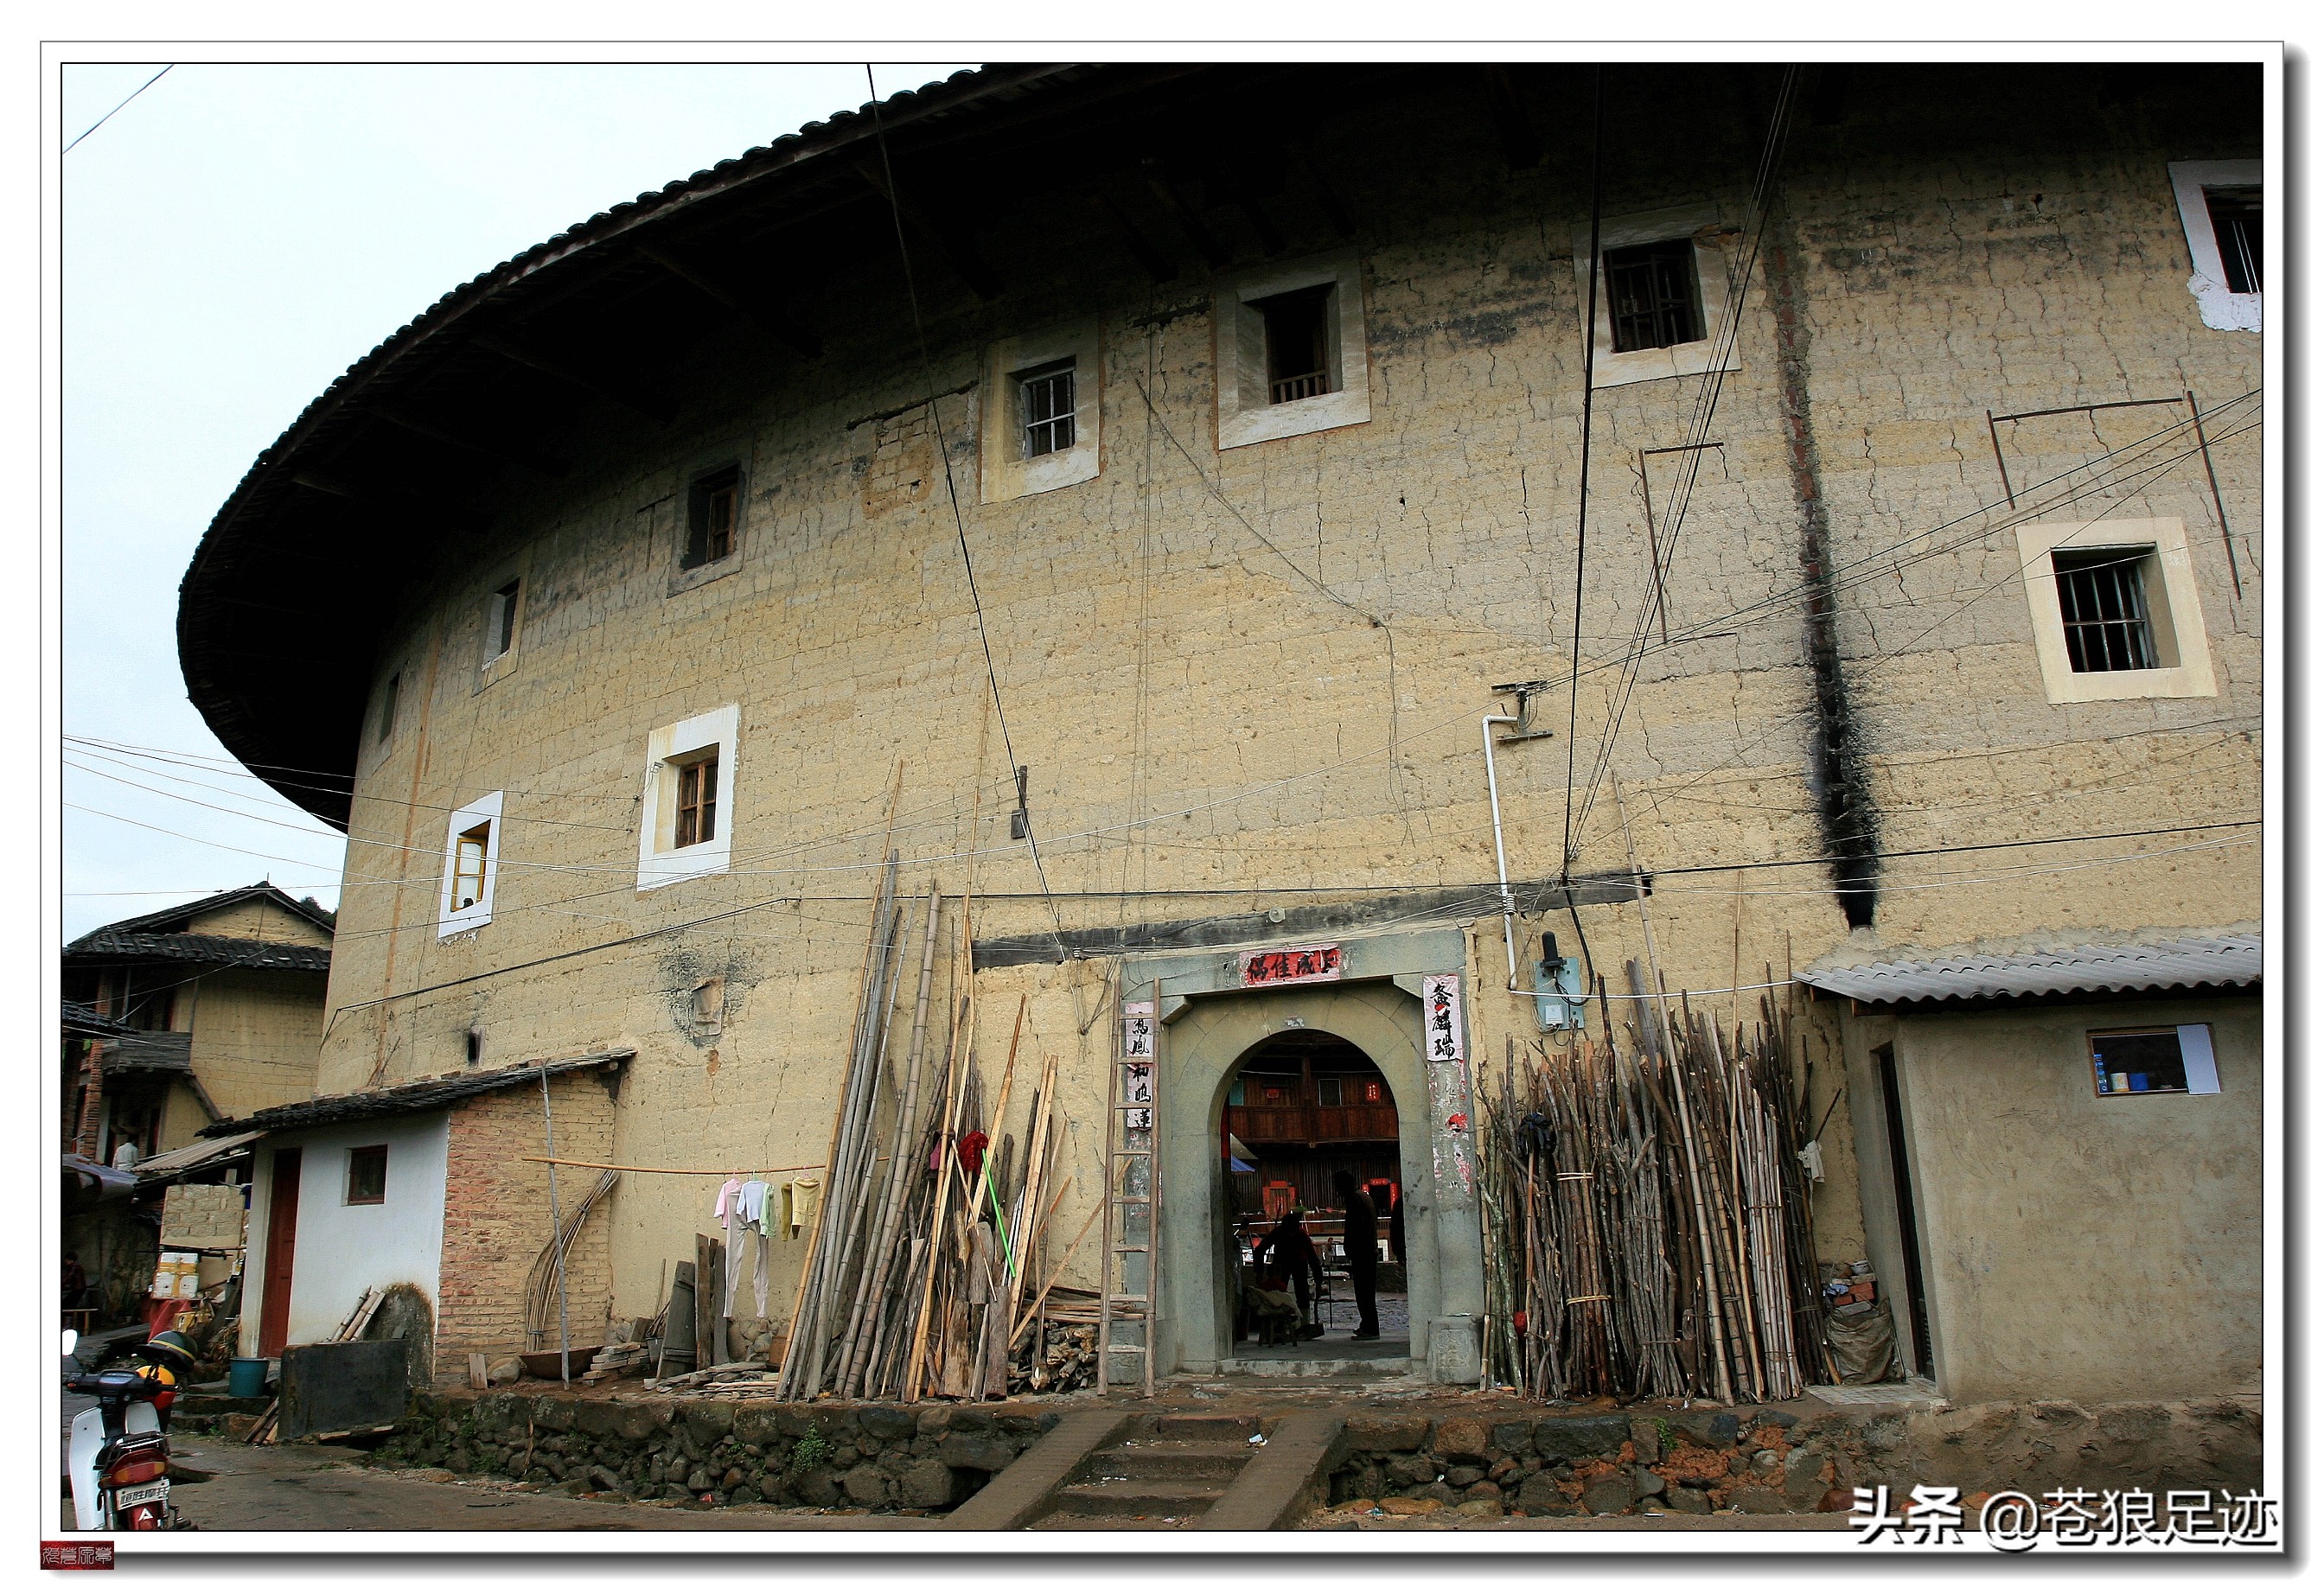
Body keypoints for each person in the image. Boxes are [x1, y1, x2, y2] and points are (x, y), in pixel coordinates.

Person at [1257, 1208, 1326, 1338]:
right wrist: (1259, 1273)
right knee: (1278, 1293)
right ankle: (1280, 1325)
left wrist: (1318, 1281)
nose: (1291, 1235)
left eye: (1293, 1232)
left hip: (1299, 1263)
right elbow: (1260, 1250)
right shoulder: (1278, 1232)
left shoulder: (1301, 1235)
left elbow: (1313, 1258)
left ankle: (1304, 1325)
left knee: (1302, 1293)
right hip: (1281, 1264)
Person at [1332, 1170, 1381, 1340]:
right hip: (1368, 1250)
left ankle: (1371, 1327)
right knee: (1366, 1291)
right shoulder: (1363, 1196)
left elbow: (1356, 1227)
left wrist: (1351, 1247)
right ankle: (1367, 1324)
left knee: (1364, 1291)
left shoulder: (1355, 1199)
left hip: (1363, 1251)